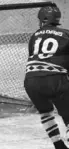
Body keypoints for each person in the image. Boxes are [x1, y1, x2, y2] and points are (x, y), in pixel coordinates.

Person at [24, 5, 69, 149]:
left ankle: (58, 145)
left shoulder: (34, 36)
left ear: (42, 20)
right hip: (55, 79)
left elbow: (35, 58)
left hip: (30, 81)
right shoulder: (66, 34)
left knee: (46, 113)